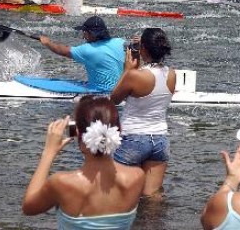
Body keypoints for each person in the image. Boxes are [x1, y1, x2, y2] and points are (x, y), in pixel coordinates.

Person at [21, 96, 145, 229]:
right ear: (118, 131)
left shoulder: (61, 183)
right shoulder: (137, 177)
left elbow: (28, 207)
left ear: (78, 133)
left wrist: (49, 153)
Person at [111, 28, 176, 198]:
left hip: (134, 138)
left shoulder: (134, 76)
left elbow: (114, 99)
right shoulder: (172, 74)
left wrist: (127, 70)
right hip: (160, 139)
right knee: (152, 195)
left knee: (118, 193)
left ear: (144, 49)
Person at [39, 15, 125, 92]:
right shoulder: (120, 42)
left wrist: (47, 42)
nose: (83, 36)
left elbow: (62, 50)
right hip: (121, 92)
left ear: (91, 33)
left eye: (85, 32)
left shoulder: (89, 50)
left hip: (101, 93)